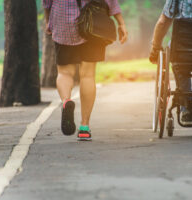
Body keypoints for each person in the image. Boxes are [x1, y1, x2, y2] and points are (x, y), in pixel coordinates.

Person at [43, 0, 128, 140]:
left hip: (63, 20)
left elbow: (47, 2)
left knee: (64, 72)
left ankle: (66, 102)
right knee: (87, 75)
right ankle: (84, 127)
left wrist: (48, 20)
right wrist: (121, 22)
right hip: (93, 21)